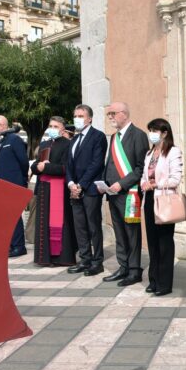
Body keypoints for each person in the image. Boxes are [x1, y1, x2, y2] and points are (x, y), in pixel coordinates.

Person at [101, 102, 149, 286]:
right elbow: (110, 163)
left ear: (124, 113)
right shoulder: (114, 137)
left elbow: (140, 168)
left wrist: (121, 184)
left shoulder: (139, 135)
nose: (110, 117)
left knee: (131, 232)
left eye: (112, 113)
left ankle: (135, 270)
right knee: (119, 232)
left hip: (130, 194)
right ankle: (124, 266)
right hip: (113, 193)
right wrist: (104, 183)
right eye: (108, 114)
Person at [140, 118, 182, 296]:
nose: (152, 134)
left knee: (164, 242)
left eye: (155, 131)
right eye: (150, 130)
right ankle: (154, 279)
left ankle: (165, 283)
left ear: (164, 133)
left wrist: (156, 184)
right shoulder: (149, 154)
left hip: (164, 199)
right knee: (152, 241)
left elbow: (175, 178)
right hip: (148, 199)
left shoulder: (173, 152)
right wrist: (144, 183)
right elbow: (144, 175)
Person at [66, 104, 108, 276]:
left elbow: (96, 163)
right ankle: (85, 259)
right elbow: (68, 164)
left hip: (89, 189)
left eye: (81, 115)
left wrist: (81, 185)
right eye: (75, 115)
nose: (77, 119)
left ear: (89, 118)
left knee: (93, 226)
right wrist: (71, 184)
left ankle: (97, 262)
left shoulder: (98, 136)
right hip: (75, 190)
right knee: (80, 227)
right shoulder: (74, 139)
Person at [31, 117, 76, 267]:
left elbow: (66, 168)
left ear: (63, 129)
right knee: (43, 224)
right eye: (50, 126)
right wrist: (37, 167)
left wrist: (47, 168)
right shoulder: (44, 144)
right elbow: (36, 165)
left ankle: (61, 258)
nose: (52, 128)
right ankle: (44, 258)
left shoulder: (68, 144)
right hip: (44, 189)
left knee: (60, 223)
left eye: (56, 126)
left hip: (59, 189)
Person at [0, 115, 29, 257]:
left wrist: (21, 180)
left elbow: (23, 162)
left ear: (2, 125)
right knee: (4, 218)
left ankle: (18, 246)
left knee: (13, 216)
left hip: (11, 184)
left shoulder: (14, 140)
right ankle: (9, 245)